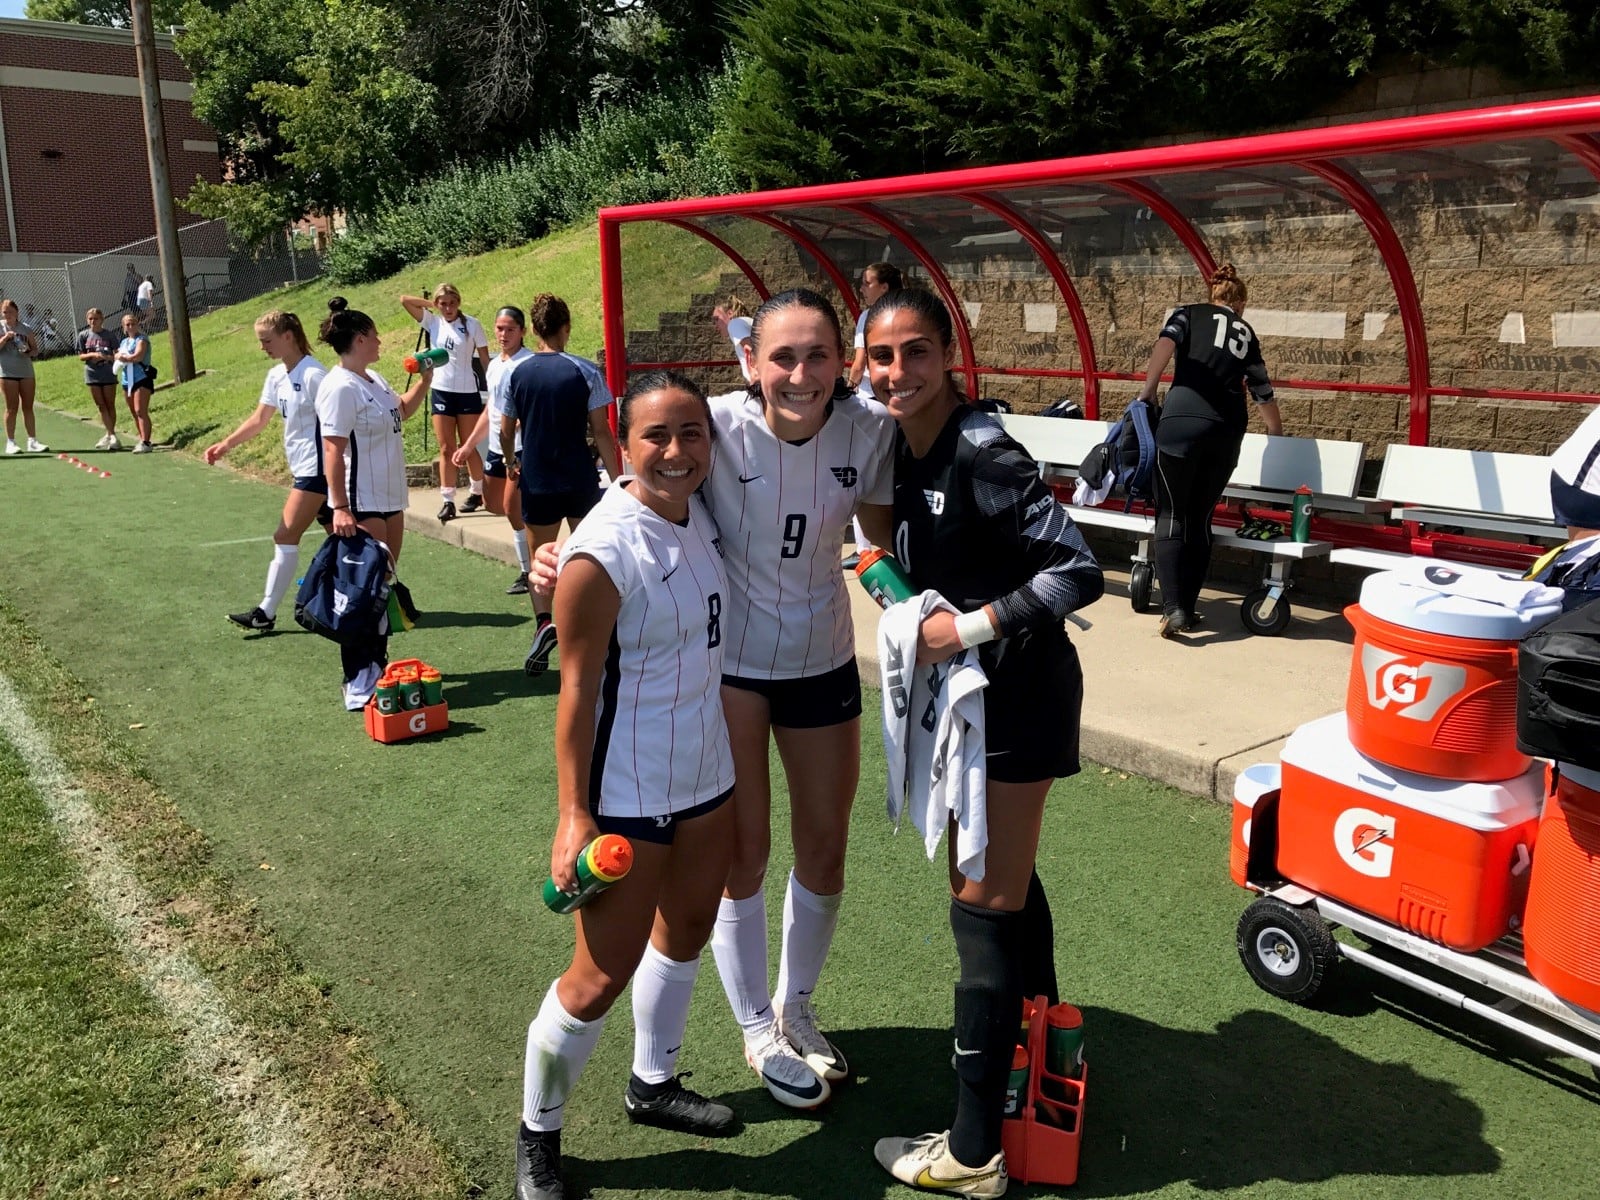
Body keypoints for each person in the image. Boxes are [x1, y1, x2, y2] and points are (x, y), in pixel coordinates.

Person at [862, 286, 1103, 1197]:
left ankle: (972, 1153)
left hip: (1019, 700)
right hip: (971, 707)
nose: (897, 373)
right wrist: (893, 584)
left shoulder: (981, 446)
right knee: (1002, 881)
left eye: (915, 353)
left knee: (981, 901)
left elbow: (1079, 571)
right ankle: (1039, 1053)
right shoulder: (897, 438)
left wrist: (956, 632)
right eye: (882, 357)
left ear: (947, 354)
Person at [515, 371, 739, 1200]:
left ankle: (654, 1083)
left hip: (709, 774)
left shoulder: (703, 513)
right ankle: (538, 1134)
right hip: (629, 792)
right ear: (622, 446)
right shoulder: (602, 551)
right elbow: (575, 692)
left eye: (692, 434)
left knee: (684, 932)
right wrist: (573, 814)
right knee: (597, 975)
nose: (676, 452)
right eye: (656, 436)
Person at [702, 288, 896, 1110]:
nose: (801, 372)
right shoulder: (709, 424)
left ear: (842, 362)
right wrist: (565, 554)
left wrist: (925, 612)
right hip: (734, 669)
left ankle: (797, 1005)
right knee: (742, 851)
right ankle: (754, 1026)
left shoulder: (871, 428)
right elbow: (636, 498)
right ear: (752, 360)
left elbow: (879, 546)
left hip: (820, 660)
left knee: (824, 845)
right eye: (782, 355)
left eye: (818, 354)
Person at [1133, 262, 1281, 638]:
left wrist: (1147, 392)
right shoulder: (1246, 333)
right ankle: (1190, 605)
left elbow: (1165, 345)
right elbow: (1262, 388)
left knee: (1171, 512)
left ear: (1212, 295)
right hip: (1227, 430)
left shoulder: (1187, 315)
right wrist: (1275, 430)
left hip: (1182, 420)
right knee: (1200, 518)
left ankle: (1173, 610)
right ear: (1241, 303)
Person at [316, 297, 432, 709]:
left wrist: (425, 380)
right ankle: (357, 681)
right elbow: (332, 451)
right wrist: (340, 507)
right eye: (375, 335)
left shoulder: (375, 379)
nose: (381, 340)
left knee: (381, 589)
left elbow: (401, 409)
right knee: (361, 593)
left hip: (390, 499)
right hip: (361, 502)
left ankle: (376, 669)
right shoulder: (339, 386)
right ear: (360, 338)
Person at [502, 293, 622, 676]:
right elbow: (601, 431)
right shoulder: (585, 370)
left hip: (536, 478)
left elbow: (506, 431)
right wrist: (619, 480)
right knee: (591, 557)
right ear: (566, 328)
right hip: (580, 479)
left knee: (542, 562)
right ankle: (595, 633)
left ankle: (544, 624)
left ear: (534, 330)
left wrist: (510, 463)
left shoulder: (516, 373)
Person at [205, 311, 331, 632]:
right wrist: (225, 444)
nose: (262, 347)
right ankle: (359, 597)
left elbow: (338, 423)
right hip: (305, 467)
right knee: (344, 538)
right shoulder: (277, 375)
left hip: (318, 471)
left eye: (267, 340)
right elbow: (260, 419)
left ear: (288, 336)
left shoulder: (315, 375)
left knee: (285, 535)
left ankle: (266, 612)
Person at [457, 305, 537, 593]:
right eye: (499, 329)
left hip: (519, 450)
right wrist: (468, 445)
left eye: (510, 329)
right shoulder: (493, 365)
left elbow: (531, 410)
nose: (503, 334)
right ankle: (536, 536)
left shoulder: (529, 364)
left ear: (523, 332)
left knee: (511, 508)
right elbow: (491, 409)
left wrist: (517, 425)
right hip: (495, 448)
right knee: (492, 504)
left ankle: (529, 572)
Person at [401, 283, 490, 522]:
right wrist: (432, 304)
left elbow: (484, 358)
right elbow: (405, 300)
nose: (448, 308)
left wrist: (493, 385)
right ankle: (448, 499)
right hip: (441, 391)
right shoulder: (433, 322)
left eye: (452, 303)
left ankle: (477, 492)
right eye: (444, 303)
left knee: (468, 445)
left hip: (467, 391)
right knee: (446, 448)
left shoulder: (472, 324)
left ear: (459, 302)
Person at [846, 262, 901, 402]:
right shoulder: (905, 313)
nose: (861, 289)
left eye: (867, 283)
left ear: (884, 287)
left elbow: (860, 362)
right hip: (896, 389)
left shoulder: (868, 316)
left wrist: (849, 387)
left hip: (869, 393)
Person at [0, 298, 45, 455]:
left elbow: (35, 349)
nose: (7, 315)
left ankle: (32, 441)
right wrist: (5, 338)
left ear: (17, 312)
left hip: (26, 371)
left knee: (28, 406)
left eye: (10, 312)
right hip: (7, 372)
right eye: (4, 312)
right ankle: (10, 442)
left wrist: (28, 352)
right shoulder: (0, 326)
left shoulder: (25, 328)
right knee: (12, 408)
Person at [75, 308, 122, 449]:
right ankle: (110, 434)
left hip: (108, 372)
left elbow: (117, 355)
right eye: (90, 319)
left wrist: (107, 357)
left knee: (109, 403)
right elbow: (81, 355)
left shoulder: (109, 335)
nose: (93, 322)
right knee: (101, 405)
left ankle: (111, 435)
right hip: (92, 373)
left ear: (102, 319)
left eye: (96, 319)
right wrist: (92, 355)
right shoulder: (83, 335)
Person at [114, 312, 156, 453]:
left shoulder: (142, 339)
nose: (131, 326)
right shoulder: (124, 342)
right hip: (127, 380)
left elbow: (138, 356)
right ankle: (141, 438)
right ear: (123, 327)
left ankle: (146, 442)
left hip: (141, 378)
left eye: (133, 323)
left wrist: (125, 358)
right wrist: (118, 356)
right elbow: (117, 355)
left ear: (137, 324)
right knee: (133, 412)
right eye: (128, 324)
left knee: (140, 410)